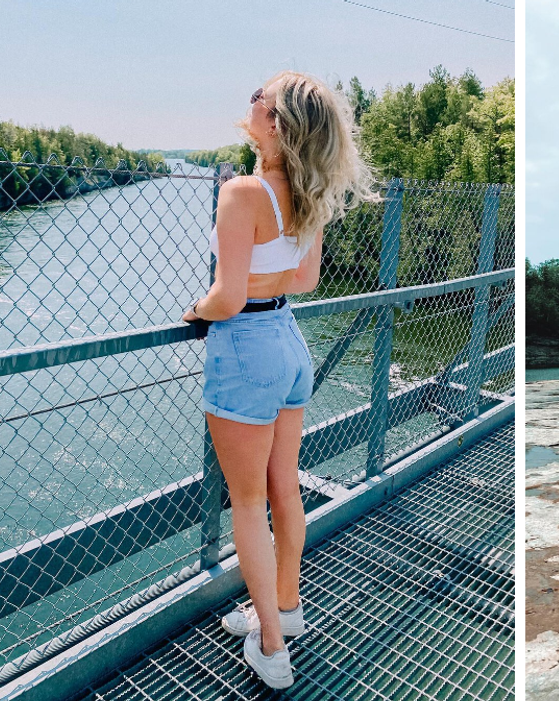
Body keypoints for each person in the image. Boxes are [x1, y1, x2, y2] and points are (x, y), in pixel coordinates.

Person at [181, 71, 378, 689]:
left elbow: (227, 297)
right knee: (283, 486)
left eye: (258, 97)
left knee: (247, 502)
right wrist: (262, 280)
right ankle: (286, 610)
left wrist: (194, 311)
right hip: (289, 343)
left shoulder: (243, 192)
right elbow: (305, 279)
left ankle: (270, 645)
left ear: (277, 122)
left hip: (246, 348)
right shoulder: (308, 191)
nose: (250, 102)